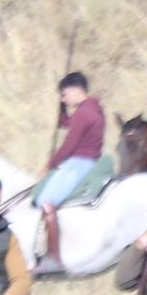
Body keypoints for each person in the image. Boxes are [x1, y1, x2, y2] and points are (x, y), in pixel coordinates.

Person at [37, 71, 107, 270]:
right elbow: (68, 124)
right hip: (90, 162)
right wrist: (62, 110)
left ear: (77, 90)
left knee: (46, 201)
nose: (64, 98)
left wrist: (49, 166)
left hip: (78, 163)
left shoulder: (83, 113)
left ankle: (54, 256)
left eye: (65, 94)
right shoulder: (94, 108)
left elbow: (69, 145)